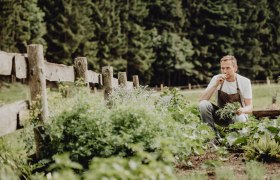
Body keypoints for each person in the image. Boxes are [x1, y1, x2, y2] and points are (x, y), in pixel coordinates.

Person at [198, 55, 253, 135]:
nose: (224, 71)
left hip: (238, 116)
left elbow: (250, 107)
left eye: (228, 68)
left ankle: (238, 138)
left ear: (235, 68)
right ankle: (211, 135)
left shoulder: (244, 81)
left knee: (240, 118)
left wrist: (242, 110)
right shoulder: (216, 79)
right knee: (203, 105)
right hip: (221, 116)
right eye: (222, 68)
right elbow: (201, 100)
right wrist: (215, 85)